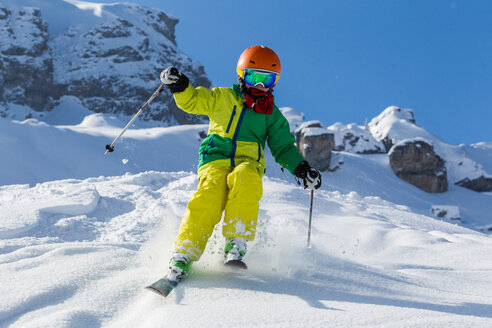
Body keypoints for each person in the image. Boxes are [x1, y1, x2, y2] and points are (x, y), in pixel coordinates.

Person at [159, 45, 321, 282]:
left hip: (248, 161)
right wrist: (180, 86)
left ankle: (236, 243)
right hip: (215, 158)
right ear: (241, 75)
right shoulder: (221, 97)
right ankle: (184, 252)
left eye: (266, 80)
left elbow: (283, 147)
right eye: (254, 77)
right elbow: (193, 101)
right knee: (208, 195)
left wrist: (302, 168)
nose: (259, 86)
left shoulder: (271, 115)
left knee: (246, 180)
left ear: (274, 82)